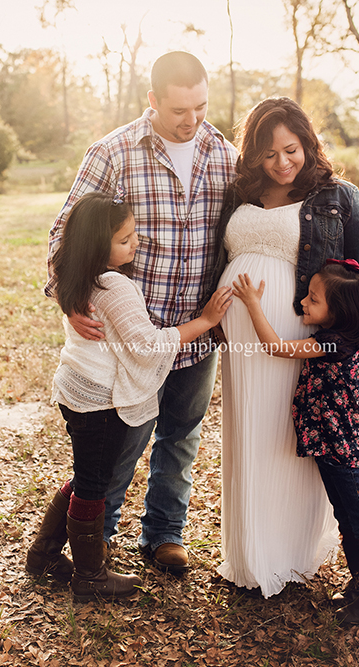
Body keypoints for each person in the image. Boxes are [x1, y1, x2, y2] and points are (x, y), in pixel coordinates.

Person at [45, 52, 237, 575]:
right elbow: (66, 231)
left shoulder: (224, 155)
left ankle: (164, 535)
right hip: (131, 340)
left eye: (200, 106)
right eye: (178, 109)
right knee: (121, 444)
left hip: (195, 332)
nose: (191, 120)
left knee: (182, 435)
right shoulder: (113, 152)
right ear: (151, 100)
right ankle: (95, 542)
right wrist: (68, 293)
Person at [211, 97, 359, 597]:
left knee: (293, 440)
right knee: (251, 436)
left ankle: (289, 554)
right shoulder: (240, 192)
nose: (282, 163)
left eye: (290, 150)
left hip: (295, 333)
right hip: (243, 342)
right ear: (255, 156)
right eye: (269, 155)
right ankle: (252, 553)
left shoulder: (340, 195)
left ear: (308, 143)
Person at [27, 192, 232, 601]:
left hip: (77, 392)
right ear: (96, 246)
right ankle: (90, 576)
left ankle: (44, 554)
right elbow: (147, 346)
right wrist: (206, 321)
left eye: (133, 233)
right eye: (125, 239)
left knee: (87, 475)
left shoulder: (75, 274)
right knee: (93, 484)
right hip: (101, 403)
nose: (135, 242)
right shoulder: (114, 285)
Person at [229, 259, 359, 624]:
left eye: (314, 299)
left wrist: (254, 304)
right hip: (330, 444)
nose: (304, 301)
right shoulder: (344, 340)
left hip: (342, 448)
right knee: (348, 517)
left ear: (339, 313)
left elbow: (275, 346)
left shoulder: (334, 345)